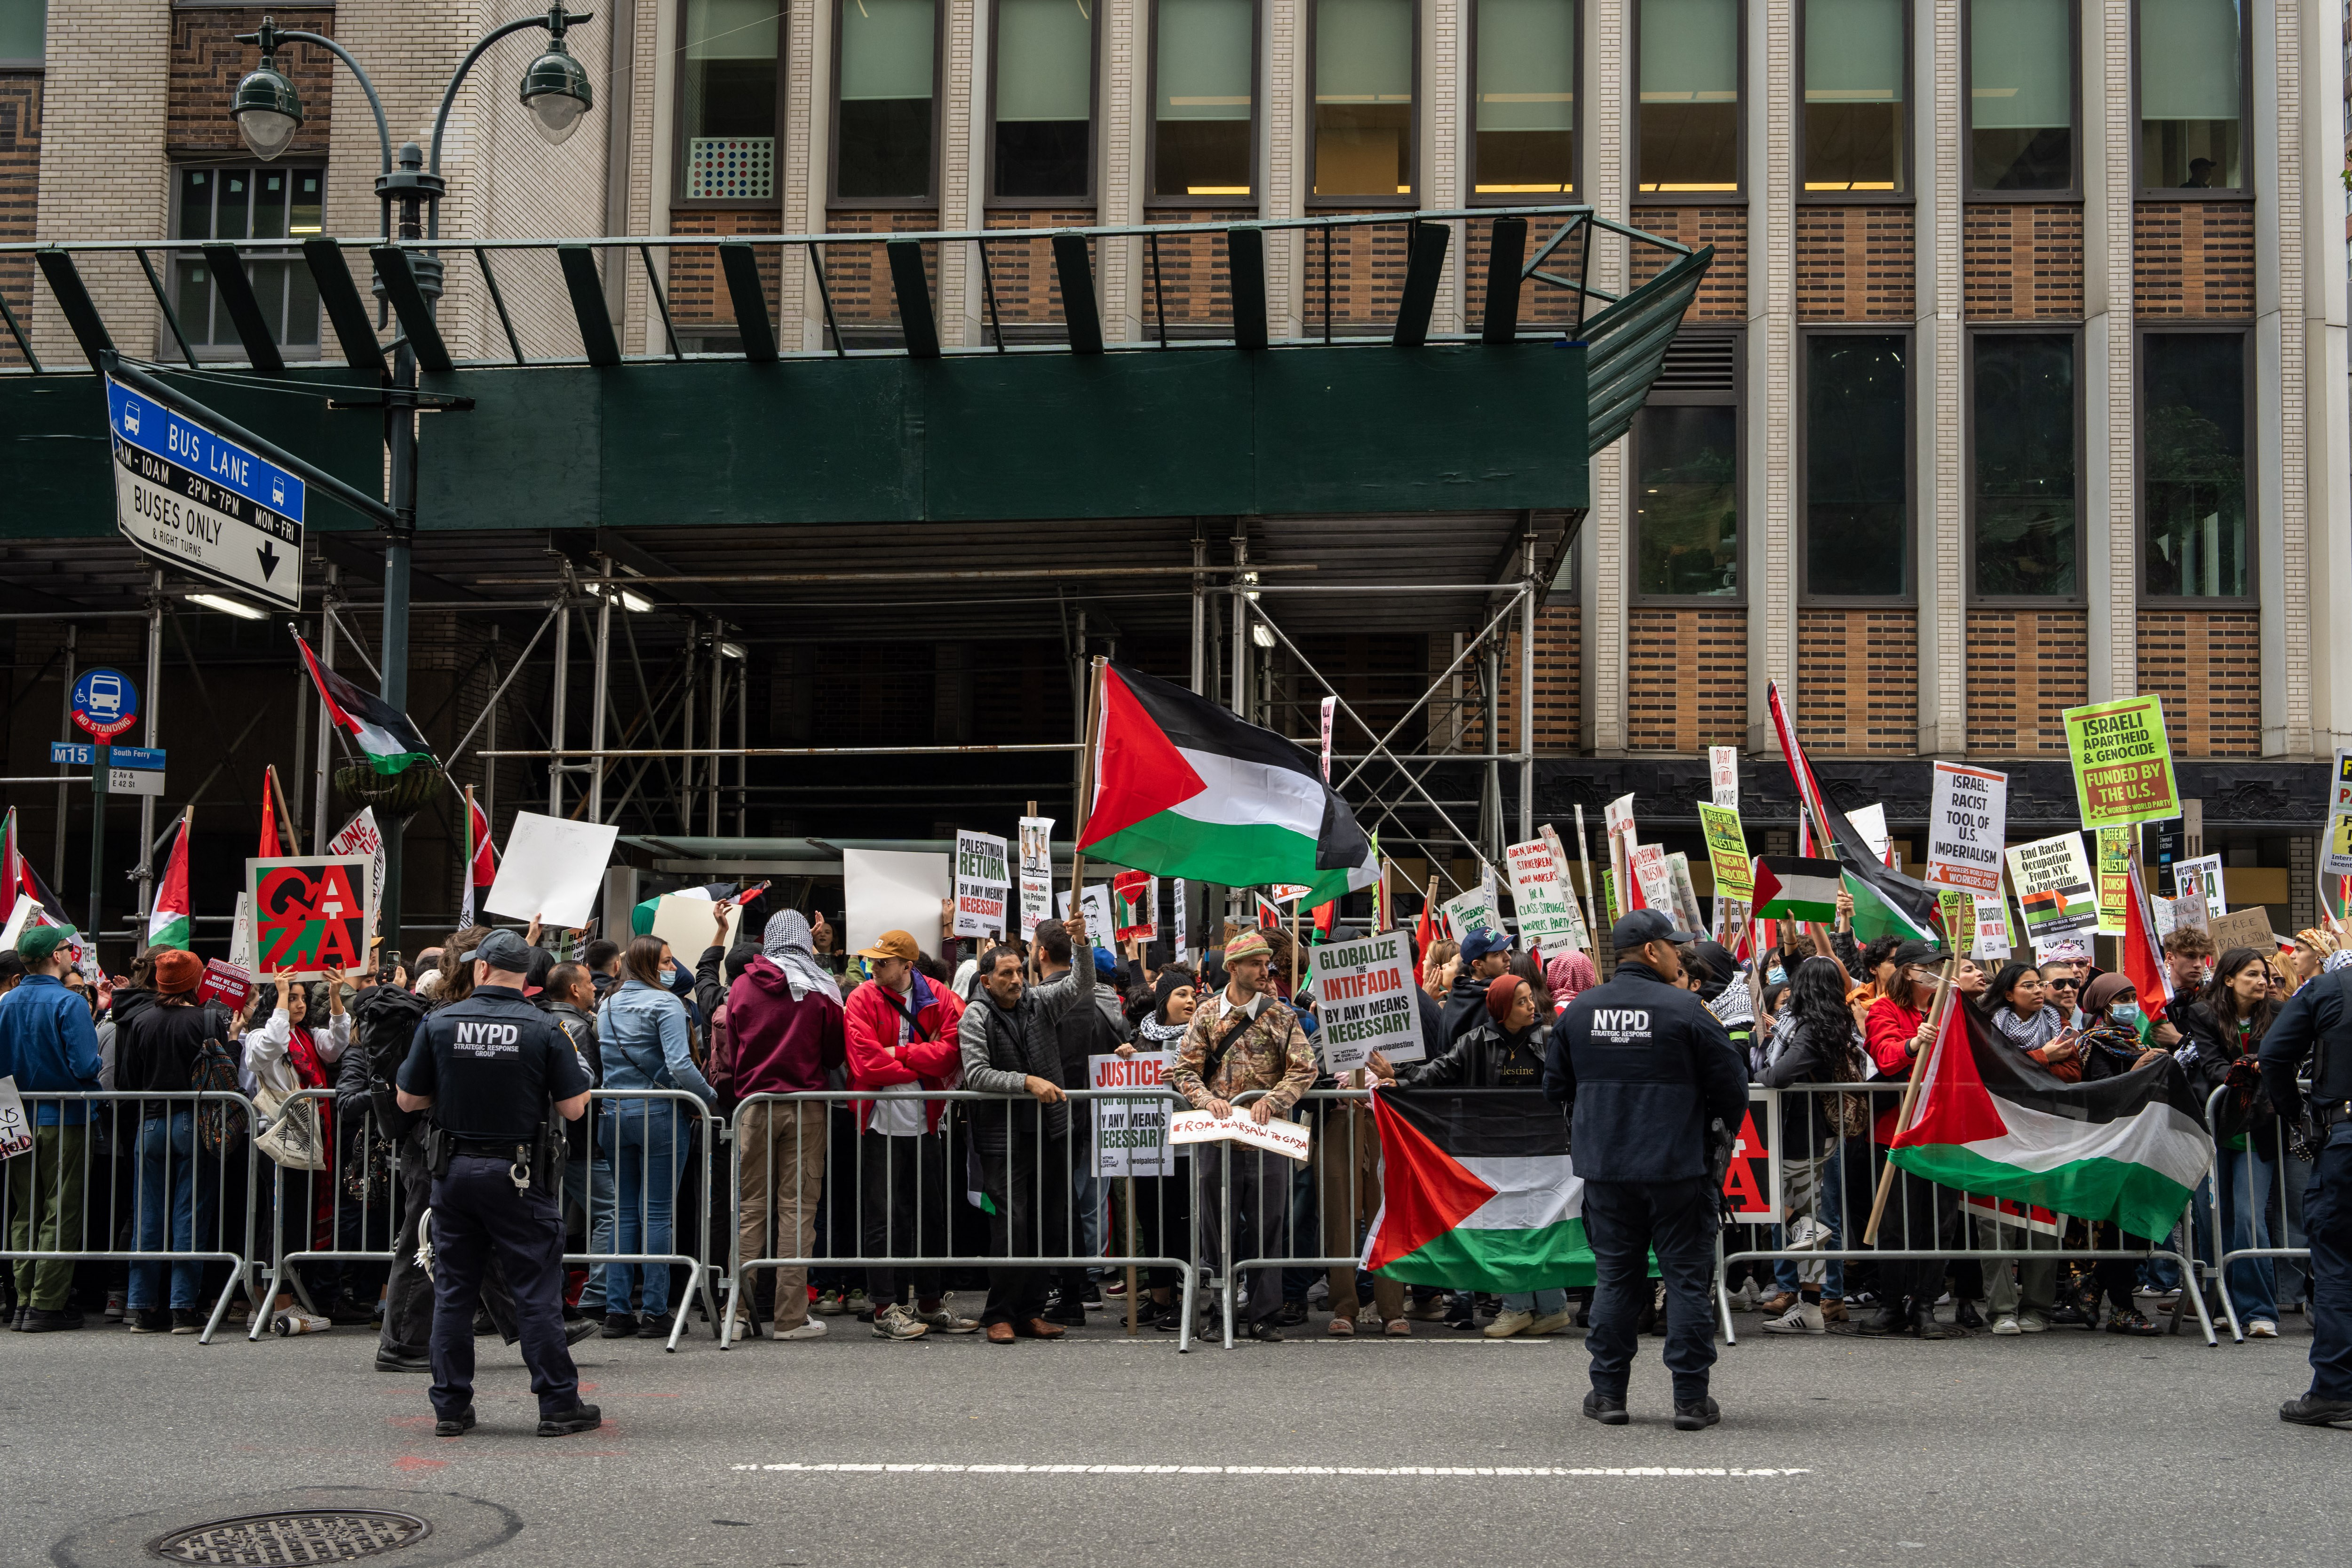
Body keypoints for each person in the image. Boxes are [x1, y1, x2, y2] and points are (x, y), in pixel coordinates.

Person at [1546, 909, 1747, 1430]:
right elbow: (1731, 1086)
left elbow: (1554, 1089)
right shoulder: (1688, 1009)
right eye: (1673, 947)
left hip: (1607, 1169)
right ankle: (1689, 1400)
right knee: (1685, 1281)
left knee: (1616, 1281)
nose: (1681, 955)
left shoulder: (1578, 1011)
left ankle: (1608, 1395)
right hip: (1677, 1167)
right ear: (1652, 951)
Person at [394, 929, 598, 1439]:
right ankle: (557, 1406)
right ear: (526, 975)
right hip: (518, 1175)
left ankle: (450, 1408)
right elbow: (573, 1108)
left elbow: (407, 1101)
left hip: (454, 1172)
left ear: (480, 969)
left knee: (455, 1292)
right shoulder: (546, 1027)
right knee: (534, 1292)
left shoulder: (438, 1023)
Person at [1384, 972, 1572, 1339]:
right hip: (1494, 1153)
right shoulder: (1473, 1042)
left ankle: (1547, 1309)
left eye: (1530, 998)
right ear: (1502, 1010)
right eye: (1521, 1001)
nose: (1532, 1005)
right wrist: (1399, 1078)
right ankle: (1525, 1307)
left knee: (1542, 1228)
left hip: (1543, 1152)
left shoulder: (1550, 1039)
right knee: (1509, 1229)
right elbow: (1437, 1072)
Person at [1164, 929, 1316, 1342]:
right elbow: (1184, 1070)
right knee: (1216, 1229)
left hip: (1267, 1139)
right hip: (1217, 1141)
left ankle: (1265, 1314)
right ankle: (1220, 1310)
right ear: (1233, 968)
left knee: (1269, 1226)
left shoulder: (1281, 1015)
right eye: (1255, 963)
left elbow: (1304, 1067)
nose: (1264, 969)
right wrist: (1206, 1097)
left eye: (1266, 962)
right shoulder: (1207, 1014)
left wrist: (1275, 1098)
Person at [843, 928, 977, 1341]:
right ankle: (885, 1307)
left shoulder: (938, 995)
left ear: (907, 965)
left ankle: (931, 1302)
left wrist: (897, 1054)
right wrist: (923, 1059)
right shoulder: (861, 997)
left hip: (925, 1120)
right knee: (882, 1215)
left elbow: (951, 1054)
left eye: (882, 962)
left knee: (930, 1214)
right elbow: (865, 1065)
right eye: (872, 961)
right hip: (878, 1121)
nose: (873, 967)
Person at [724, 911, 848, 1343]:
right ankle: (790, 1318)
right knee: (798, 1212)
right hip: (806, 1106)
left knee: (750, 1209)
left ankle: (737, 1316)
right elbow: (835, 1055)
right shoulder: (820, 987)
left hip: (754, 1108)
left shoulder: (741, 984)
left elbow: (732, 1046)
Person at [597, 935, 717, 1339]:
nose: (672, 967)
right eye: (666, 960)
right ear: (651, 966)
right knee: (658, 1212)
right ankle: (654, 1310)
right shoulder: (666, 1004)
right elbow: (681, 1065)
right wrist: (709, 1099)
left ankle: (616, 1310)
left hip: (613, 1110)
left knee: (623, 1210)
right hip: (659, 1112)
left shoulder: (607, 1003)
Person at [2255, 944, 2352, 1425]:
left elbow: (2272, 1056)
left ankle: (2334, 1388)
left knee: (2336, 1264)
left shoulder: (2328, 987)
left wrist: (2297, 1120)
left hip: (2345, 1138)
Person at [956, 942, 1071, 1343]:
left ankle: (1031, 1312)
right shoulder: (976, 1014)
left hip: (1047, 1133)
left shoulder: (1038, 1002)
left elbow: (1082, 985)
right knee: (1012, 1226)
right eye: (1006, 973)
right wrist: (1026, 1082)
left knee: (1047, 1227)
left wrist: (1083, 945)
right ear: (986, 980)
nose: (1016, 980)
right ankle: (999, 1314)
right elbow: (977, 1075)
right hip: (1002, 1139)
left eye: (1020, 971)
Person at [1860, 942, 1970, 1339]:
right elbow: (1886, 1055)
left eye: (1941, 965)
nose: (1938, 971)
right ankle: (1890, 1305)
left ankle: (1924, 1305)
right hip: (1899, 1132)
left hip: (1943, 1132)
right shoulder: (1884, 1008)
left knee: (1939, 1224)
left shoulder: (1953, 1007)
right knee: (1895, 1224)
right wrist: (1913, 1044)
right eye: (1930, 966)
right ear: (1910, 971)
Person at [0, 926, 103, 1331]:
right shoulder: (69, 1002)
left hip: (19, 1115)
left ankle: (24, 1299)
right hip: (64, 1117)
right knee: (62, 1209)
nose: (72, 953)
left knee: (26, 1209)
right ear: (56, 957)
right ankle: (46, 1302)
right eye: (67, 948)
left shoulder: (8, 1002)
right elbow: (85, 1064)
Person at [1757, 956, 1868, 1336]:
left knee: (1796, 1215)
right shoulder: (1833, 1021)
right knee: (1812, 1221)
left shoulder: (1810, 1027)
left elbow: (1779, 1074)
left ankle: (1810, 1303)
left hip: (1801, 1134)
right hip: (1813, 1132)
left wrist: (1753, 1075)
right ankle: (1810, 1307)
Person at [2181, 946, 2284, 1337]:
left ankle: (2259, 1310)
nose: (2263, 982)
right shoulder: (2204, 1012)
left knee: (2248, 1216)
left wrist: (2257, 1071)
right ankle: (2222, 1300)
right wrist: (2244, 1072)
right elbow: (2211, 1064)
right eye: (2253, 975)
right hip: (2215, 1127)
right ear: (2228, 979)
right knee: (2212, 1218)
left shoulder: (2278, 1012)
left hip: (2258, 1129)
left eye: (2266, 975)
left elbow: (2283, 1060)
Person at [538, 962, 611, 1326]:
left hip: (557, 1143)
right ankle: (596, 1294)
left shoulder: (543, 1019)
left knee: (558, 1220)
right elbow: (583, 1087)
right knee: (610, 1211)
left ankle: (563, 1292)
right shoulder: (578, 1027)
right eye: (589, 984)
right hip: (579, 1143)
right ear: (574, 990)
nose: (596, 989)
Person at [1441, 929, 1516, 1045]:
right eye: (1497, 954)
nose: (1508, 958)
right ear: (1478, 964)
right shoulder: (1490, 997)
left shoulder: (1459, 992)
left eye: (1505, 951)